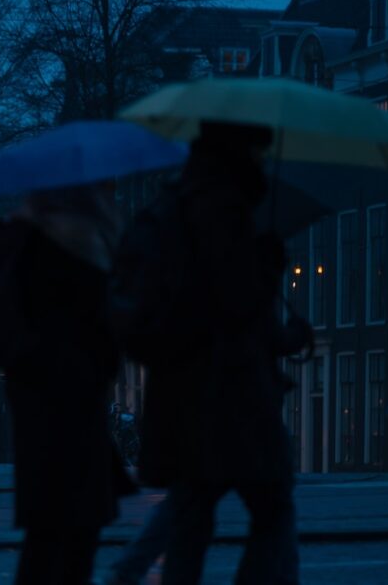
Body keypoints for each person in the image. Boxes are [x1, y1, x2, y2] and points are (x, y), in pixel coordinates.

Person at [111, 121, 308, 585]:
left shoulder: (170, 206)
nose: (263, 160)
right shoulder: (226, 211)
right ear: (242, 154)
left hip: (181, 394)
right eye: (259, 151)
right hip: (231, 393)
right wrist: (269, 268)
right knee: (273, 506)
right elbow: (237, 307)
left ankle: (134, 572)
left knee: (191, 517)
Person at [0, 182, 134, 585]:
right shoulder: (76, 251)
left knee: (48, 535)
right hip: (70, 403)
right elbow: (99, 336)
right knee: (71, 538)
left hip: (39, 401)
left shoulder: (19, 243)